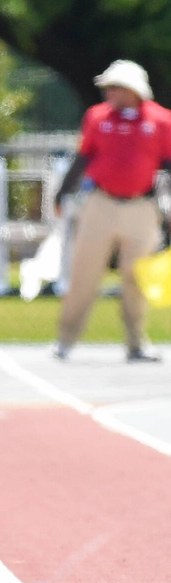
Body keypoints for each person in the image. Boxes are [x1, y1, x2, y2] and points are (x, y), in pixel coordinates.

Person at [53, 59, 171, 362]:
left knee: (137, 278)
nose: (108, 93)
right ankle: (66, 339)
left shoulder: (161, 121)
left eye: (114, 87)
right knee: (84, 272)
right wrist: (63, 191)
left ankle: (136, 343)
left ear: (132, 90)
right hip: (100, 204)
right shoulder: (96, 117)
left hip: (141, 207)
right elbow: (83, 158)